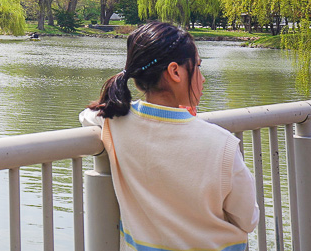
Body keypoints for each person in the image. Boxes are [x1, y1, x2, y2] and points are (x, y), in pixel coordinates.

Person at [80, 21, 258, 251]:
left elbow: (88, 115)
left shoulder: (114, 124)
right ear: (175, 71)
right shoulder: (222, 144)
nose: (202, 79)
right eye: (198, 67)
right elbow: (248, 219)